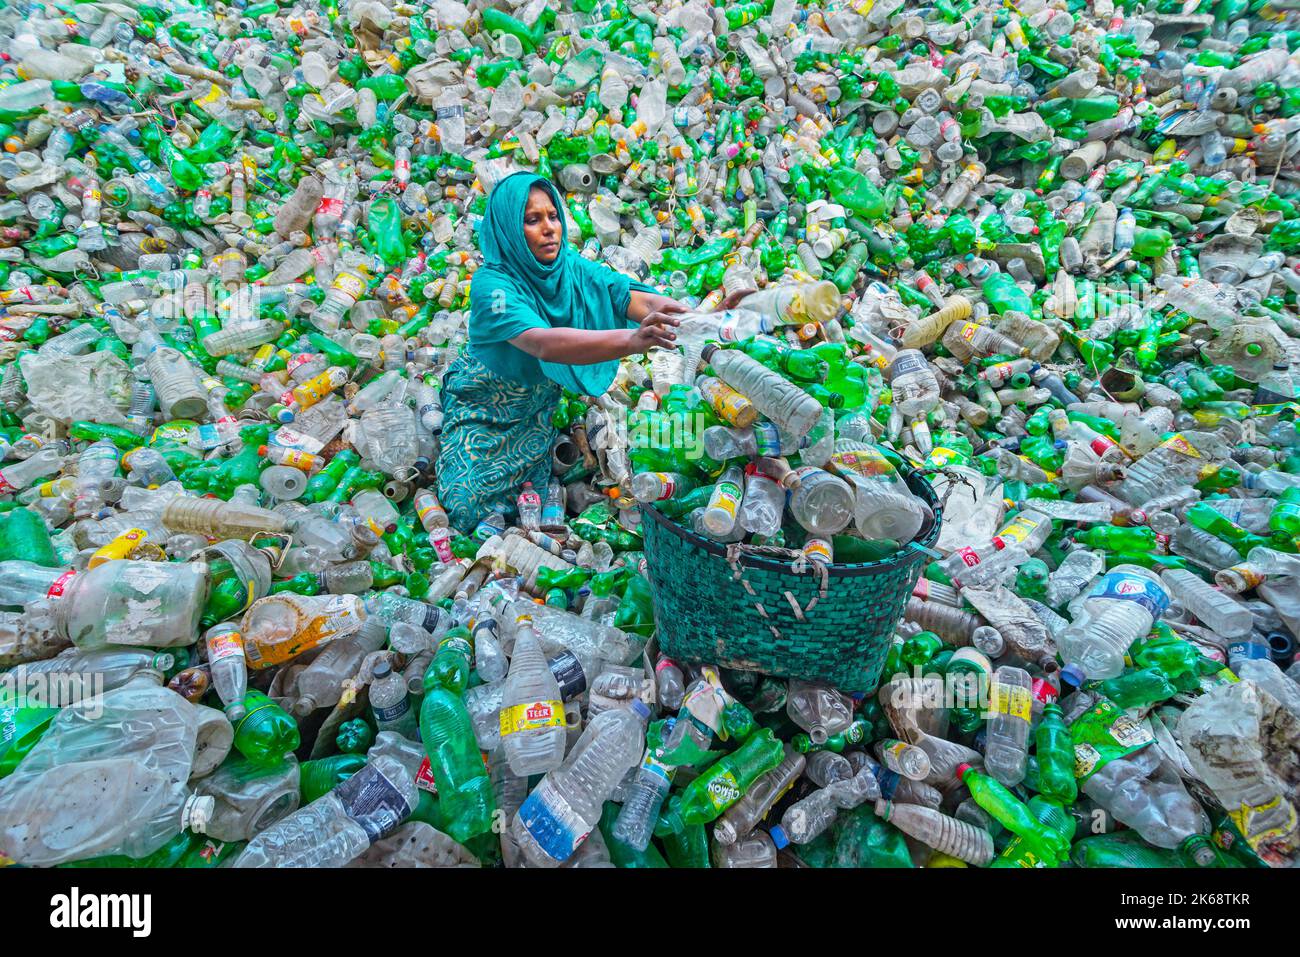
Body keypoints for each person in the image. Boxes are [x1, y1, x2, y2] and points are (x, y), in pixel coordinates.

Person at [435, 172, 745, 533]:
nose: (549, 228)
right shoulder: (493, 286)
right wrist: (632, 341)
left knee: (530, 493)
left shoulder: (566, 267)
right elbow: (542, 343)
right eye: (532, 220)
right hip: (484, 400)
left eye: (553, 216)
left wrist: (703, 322)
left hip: (535, 402)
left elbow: (629, 296)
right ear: (507, 229)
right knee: (463, 506)